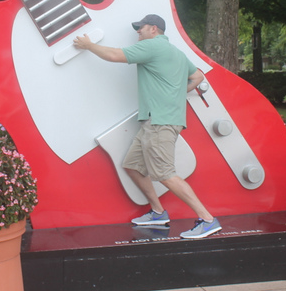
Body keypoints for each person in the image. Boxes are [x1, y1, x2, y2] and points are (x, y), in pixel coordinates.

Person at [73, 14, 222, 239]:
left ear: (154, 29)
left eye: (140, 28)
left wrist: (89, 45)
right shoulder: (176, 53)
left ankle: (208, 220)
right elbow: (198, 76)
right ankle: (158, 213)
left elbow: (115, 55)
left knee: (164, 174)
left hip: (160, 122)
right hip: (156, 121)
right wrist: (178, 92)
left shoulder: (153, 46)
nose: (138, 32)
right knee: (132, 165)